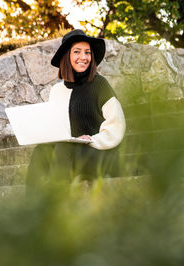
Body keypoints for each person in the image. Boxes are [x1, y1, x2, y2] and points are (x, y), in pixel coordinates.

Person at [26, 29, 126, 191]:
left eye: (87, 52)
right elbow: (57, 129)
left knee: (63, 150)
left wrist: (92, 140)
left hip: (100, 152)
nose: (83, 57)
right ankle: (32, 206)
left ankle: (61, 202)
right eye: (77, 52)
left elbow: (116, 125)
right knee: (41, 152)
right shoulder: (57, 91)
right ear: (67, 56)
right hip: (69, 151)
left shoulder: (100, 85)